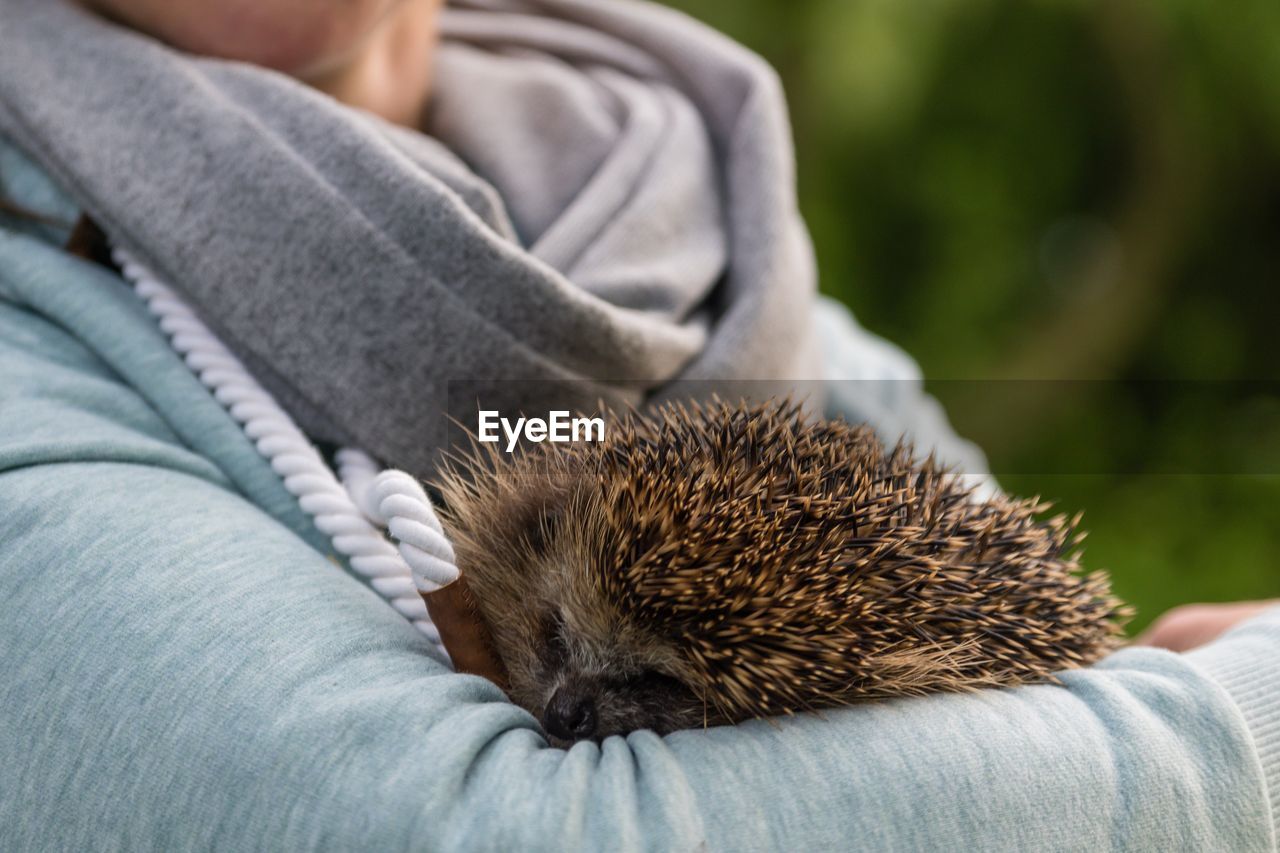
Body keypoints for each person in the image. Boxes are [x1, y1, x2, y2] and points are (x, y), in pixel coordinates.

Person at [0, 0, 1276, 849]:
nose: (562, 707)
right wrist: (1234, 730)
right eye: (556, 641)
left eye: (642, 691)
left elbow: (1030, 702)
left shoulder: (731, 259)